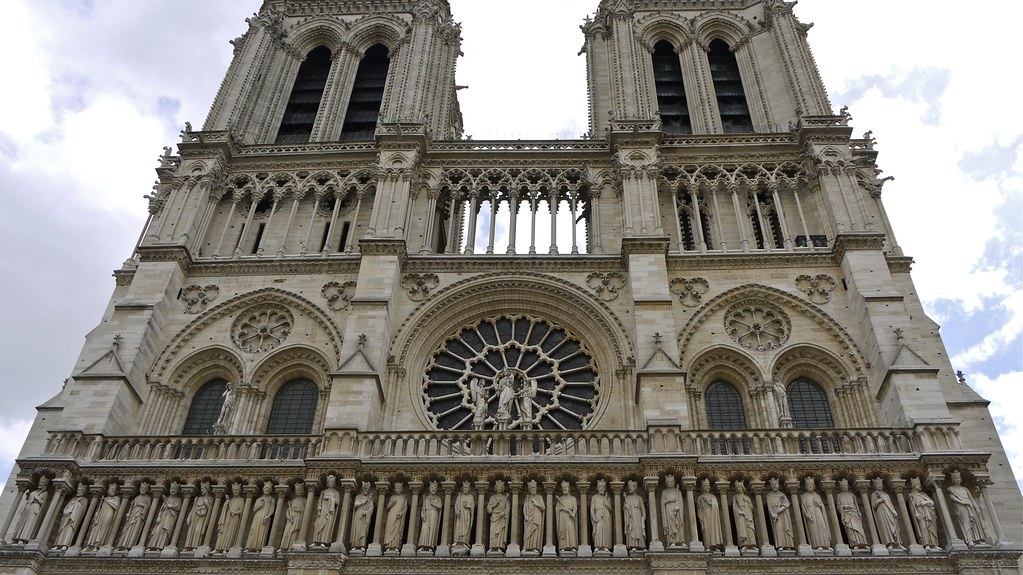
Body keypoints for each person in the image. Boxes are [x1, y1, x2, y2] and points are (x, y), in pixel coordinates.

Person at [947, 470, 986, 546]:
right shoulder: (951, 489)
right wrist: (962, 502)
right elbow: (952, 497)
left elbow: (971, 498)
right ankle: (970, 539)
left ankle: (977, 539)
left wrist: (976, 507)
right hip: (961, 506)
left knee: (975, 523)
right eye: (955, 478)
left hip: (970, 505)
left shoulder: (965, 489)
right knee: (966, 522)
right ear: (953, 480)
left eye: (958, 477)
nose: (957, 479)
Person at [13, 476, 50, 543]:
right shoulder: (34, 492)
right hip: (28, 507)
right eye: (39, 483)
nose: (40, 484)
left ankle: (24, 538)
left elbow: (43, 503)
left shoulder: (44, 493)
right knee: (22, 522)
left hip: (35, 508)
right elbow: (28, 500)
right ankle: (16, 537)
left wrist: (38, 499)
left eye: (42, 483)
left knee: (29, 523)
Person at [84, 482, 121, 551]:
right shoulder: (104, 498)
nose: (113, 490)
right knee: (96, 527)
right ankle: (90, 544)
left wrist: (105, 501)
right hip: (102, 513)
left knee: (104, 527)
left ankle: (98, 545)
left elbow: (116, 507)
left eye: (114, 489)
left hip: (109, 513)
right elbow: (99, 508)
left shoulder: (116, 498)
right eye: (111, 489)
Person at [870, 478, 903, 550]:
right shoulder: (874, 495)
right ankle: (890, 542)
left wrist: (894, 511)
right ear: (875, 486)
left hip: (890, 512)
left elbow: (890, 504)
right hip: (881, 512)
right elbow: (873, 506)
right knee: (886, 526)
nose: (879, 486)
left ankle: (898, 543)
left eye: (880, 484)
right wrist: (879, 501)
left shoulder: (886, 495)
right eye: (878, 484)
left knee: (895, 526)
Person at [116, 482, 152, 549]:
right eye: (142, 488)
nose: (142, 489)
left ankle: (130, 545)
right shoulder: (136, 497)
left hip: (140, 515)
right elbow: (132, 506)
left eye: (144, 488)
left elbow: (148, 507)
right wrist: (129, 513)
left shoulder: (148, 498)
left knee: (135, 529)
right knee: (128, 528)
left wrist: (142, 505)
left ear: (147, 490)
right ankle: (122, 544)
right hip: (133, 513)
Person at [147, 482, 182, 550]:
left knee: (165, 531)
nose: (173, 490)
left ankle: (160, 547)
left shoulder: (178, 499)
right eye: (171, 488)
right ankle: (152, 546)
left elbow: (178, 508)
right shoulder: (167, 499)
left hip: (171, 517)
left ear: (177, 491)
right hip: (163, 516)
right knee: (158, 530)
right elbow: (161, 509)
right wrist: (159, 517)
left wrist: (171, 506)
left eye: (174, 489)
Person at [800, 477, 831, 549]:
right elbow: (804, 508)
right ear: (806, 486)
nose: (810, 486)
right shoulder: (804, 496)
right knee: (814, 529)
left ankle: (826, 544)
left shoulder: (817, 495)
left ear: (814, 486)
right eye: (808, 484)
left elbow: (822, 506)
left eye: (811, 484)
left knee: (822, 526)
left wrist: (819, 504)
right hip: (810, 513)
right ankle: (818, 545)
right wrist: (807, 514)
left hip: (818, 511)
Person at [908, 478, 939, 550]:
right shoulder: (912, 495)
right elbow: (912, 507)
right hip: (921, 513)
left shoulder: (923, 494)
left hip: (929, 512)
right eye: (918, 484)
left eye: (919, 484)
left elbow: (932, 502)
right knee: (923, 527)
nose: (920, 486)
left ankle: (934, 544)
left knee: (931, 527)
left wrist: (926, 502)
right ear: (914, 486)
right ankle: (926, 544)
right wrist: (915, 513)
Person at [54, 484, 88, 550]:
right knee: (62, 530)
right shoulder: (73, 499)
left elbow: (83, 511)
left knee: (69, 530)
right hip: (67, 516)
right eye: (78, 490)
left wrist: (77, 505)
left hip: (74, 518)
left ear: (83, 491)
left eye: (80, 490)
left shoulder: (84, 500)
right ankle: (58, 544)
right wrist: (66, 511)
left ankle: (65, 544)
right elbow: (66, 507)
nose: (78, 491)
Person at [836, 479, 867, 548]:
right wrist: (844, 507)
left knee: (859, 528)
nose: (845, 487)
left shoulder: (851, 495)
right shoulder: (839, 496)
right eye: (844, 486)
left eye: (846, 485)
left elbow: (856, 504)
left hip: (854, 512)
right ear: (841, 487)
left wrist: (858, 512)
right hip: (847, 513)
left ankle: (863, 543)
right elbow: (838, 507)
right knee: (851, 528)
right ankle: (855, 543)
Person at [246, 482, 275, 550]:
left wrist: (268, 516)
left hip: (265, 517)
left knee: (262, 532)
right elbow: (254, 510)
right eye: (265, 488)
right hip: (257, 516)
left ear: (271, 490)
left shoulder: (272, 500)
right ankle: (249, 547)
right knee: (253, 530)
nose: (267, 489)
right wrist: (260, 506)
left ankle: (259, 547)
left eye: (268, 488)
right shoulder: (258, 500)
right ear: (263, 489)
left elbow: (272, 510)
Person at [312, 475, 340, 547]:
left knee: (326, 526)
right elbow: (320, 502)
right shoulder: (324, 491)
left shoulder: (336, 493)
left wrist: (330, 498)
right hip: (322, 511)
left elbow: (337, 502)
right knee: (318, 523)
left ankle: (323, 541)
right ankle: (315, 540)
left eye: (332, 482)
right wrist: (319, 509)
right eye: (329, 482)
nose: (330, 483)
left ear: (334, 483)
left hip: (329, 513)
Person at [215, 483, 244, 552]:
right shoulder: (230, 500)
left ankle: (225, 548)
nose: (235, 491)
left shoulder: (241, 500)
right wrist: (226, 503)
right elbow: (225, 509)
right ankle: (218, 547)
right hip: (227, 517)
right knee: (223, 531)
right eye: (234, 490)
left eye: (237, 490)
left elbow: (241, 511)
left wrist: (234, 512)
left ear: (240, 491)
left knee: (230, 532)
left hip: (234, 518)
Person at [183, 482, 212, 550]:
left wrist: (207, 504)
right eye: (201, 489)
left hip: (202, 518)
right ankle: (187, 546)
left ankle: (195, 546)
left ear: (207, 489)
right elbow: (193, 508)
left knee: (198, 530)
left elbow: (210, 509)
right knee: (191, 531)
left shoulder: (210, 498)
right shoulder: (198, 498)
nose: (201, 490)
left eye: (202, 488)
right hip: (194, 516)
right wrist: (189, 516)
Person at [766, 478, 793, 549]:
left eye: (775, 484)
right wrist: (772, 514)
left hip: (783, 513)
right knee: (779, 529)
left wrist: (782, 508)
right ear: (770, 486)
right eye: (773, 485)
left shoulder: (782, 495)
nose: (774, 486)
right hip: (776, 514)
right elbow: (769, 507)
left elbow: (787, 503)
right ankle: (780, 545)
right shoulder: (769, 496)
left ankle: (788, 545)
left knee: (785, 528)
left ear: (778, 485)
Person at [697, 479, 722, 550]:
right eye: (705, 486)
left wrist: (709, 502)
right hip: (705, 514)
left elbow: (716, 506)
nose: (707, 487)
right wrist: (700, 517)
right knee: (706, 529)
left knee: (713, 528)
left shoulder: (712, 497)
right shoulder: (700, 497)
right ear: (703, 487)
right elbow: (699, 508)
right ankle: (708, 545)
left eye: (708, 485)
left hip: (713, 515)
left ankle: (715, 545)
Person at [661, 475, 685, 548]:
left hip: (677, 509)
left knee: (679, 523)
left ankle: (681, 541)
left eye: (671, 481)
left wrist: (678, 507)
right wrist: (669, 500)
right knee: (670, 525)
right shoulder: (664, 492)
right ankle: (672, 541)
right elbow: (662, 502)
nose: (670, 483)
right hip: (668, 509)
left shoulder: (677, 491)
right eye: (669, 481)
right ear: (666, 483)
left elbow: (680, 502)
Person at [383, 482, 408, 552]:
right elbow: (388, 507)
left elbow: (405, 507)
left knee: (397, 530)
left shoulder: (403, 497)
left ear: (401, 489)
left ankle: (395, 546)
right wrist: (392, 503)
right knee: (390, 529)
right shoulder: (392, 497)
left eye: (399, 488)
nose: (397, 489)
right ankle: (389, 546)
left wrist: (401, 513)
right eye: (396, 488)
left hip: (398, 516)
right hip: (391, 515)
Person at [280, 483, 306, 550]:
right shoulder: (293, 500)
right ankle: (284, 546)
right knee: (287, 531)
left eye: (299, 490)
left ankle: (291, 547)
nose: (297, 491)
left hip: (298, 517)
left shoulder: (304, 500)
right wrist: (288, 516)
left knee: (294, 532)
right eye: (296, 490)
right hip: (291, 519)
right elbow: (289, 510)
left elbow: (306, 512)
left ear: (302, 491)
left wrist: (300, 510)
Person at [522, 481, 545, 553]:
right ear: (529, 489)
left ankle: (534, 547)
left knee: (535, 531)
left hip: (537, 516)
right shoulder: (527, 498)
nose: (533, 489)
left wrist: (536, 504)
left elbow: (543, 507)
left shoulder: (539, 497)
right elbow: (524, 508)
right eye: (532, 488)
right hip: (529, 517)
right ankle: (526, 547)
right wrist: (525, 515)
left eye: (534, 488)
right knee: (527, 532)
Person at [732, 481, 756, 550]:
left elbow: (751, 507)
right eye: (737, 488)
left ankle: (752, 544)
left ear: (743, 488)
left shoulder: (747, 497)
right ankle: (745, 544)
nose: (739, 489)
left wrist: (747, 502)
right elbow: (734, 507)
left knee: (750, 529)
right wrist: (739, 511)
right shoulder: (735, 497)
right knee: (742, 529)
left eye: (740, 487)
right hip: (741, 515)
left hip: (748, 514)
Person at [452, 481, 475, 554]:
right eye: (464, 488)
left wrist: (468, 507)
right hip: (460, 515)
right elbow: (456, 505)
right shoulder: (460, 496)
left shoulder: (471, 497)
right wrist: (456, 511)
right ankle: (457, 541)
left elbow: (472, 507)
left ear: (469, 489)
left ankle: (464, 541)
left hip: (467, 514)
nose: (465, 489)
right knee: (458, 527)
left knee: (466, 527)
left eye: (467, 488)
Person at [350, 482, 374, 550]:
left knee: (363, 529)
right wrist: (363, 502)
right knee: (357, 529)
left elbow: (371, 507)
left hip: (365, 515)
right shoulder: (358, 496)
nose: (366, 490)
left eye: (367, 489)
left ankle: (362, 545)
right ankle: (354, 545)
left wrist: (367, 512)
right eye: (365, 488)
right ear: (362, 489)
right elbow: (356, 504)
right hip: (358, 514)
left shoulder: (370, 498)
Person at [419, 482, 442, 551]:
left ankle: (430, 545)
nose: (433, 489)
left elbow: (440, 506)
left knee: (432, 529)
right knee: (424, 529)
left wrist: (433, 504)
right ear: (429, 489)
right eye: (432, 487)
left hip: (434, 513)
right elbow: (423, 507)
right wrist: (422, 514)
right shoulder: (426, 498)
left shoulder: (438, 498)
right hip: (427, 513)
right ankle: (423, 545)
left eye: (435, 488)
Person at [590, 480, 612, 552]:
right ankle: (598, 546)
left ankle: (606, 546)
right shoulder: (594, 497)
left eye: (603, 487)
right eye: (600, 487)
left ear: (605, 488)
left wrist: (607, 504)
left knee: (606, 530)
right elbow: (592, 509)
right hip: (598, 514)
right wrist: (594, 517)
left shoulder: (607, 498)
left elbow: (610, 508)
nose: (601, 488)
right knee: (598, 529)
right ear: (597, 488)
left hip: (606, 514)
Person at [486, 480, 508, 552]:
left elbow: (508, 508)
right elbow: (488, 509)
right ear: (496, 488)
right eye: (498, 486)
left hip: (501, 517)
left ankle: (498, 546)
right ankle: (492, 547)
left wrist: (504, 513)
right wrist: (494, 505)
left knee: (500, 532)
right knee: (493, 532)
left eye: (500, 487)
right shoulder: (493, 497)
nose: (499, 488)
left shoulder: (505, 498)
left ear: (502, 488)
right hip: (494, 516)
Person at [555, 481, 578, 551]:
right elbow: (557, 508)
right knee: (563, 530)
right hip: (562, 516)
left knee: (571, 530)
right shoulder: (560, 499)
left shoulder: (573, 498)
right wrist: (562, 509)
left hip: (570, 517)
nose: (564, 489)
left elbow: (575, 507)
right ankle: (563, 547)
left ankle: (572, 546)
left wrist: (573, 513)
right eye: (563, 488)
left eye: (565, 487)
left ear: (568, 488)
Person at [623, 480, 646, 550]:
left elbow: (643, 509)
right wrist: (626, 508)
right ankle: (633, 545)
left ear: (635, 488)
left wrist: (643, 517)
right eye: (629, 487)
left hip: (638, 515)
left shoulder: (639, 498)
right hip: (631, 516)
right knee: (632, 529)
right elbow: (625, 509)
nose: (630, 488)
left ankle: (641, 545)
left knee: (639, 530)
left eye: (631, 486)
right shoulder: (627, 498)